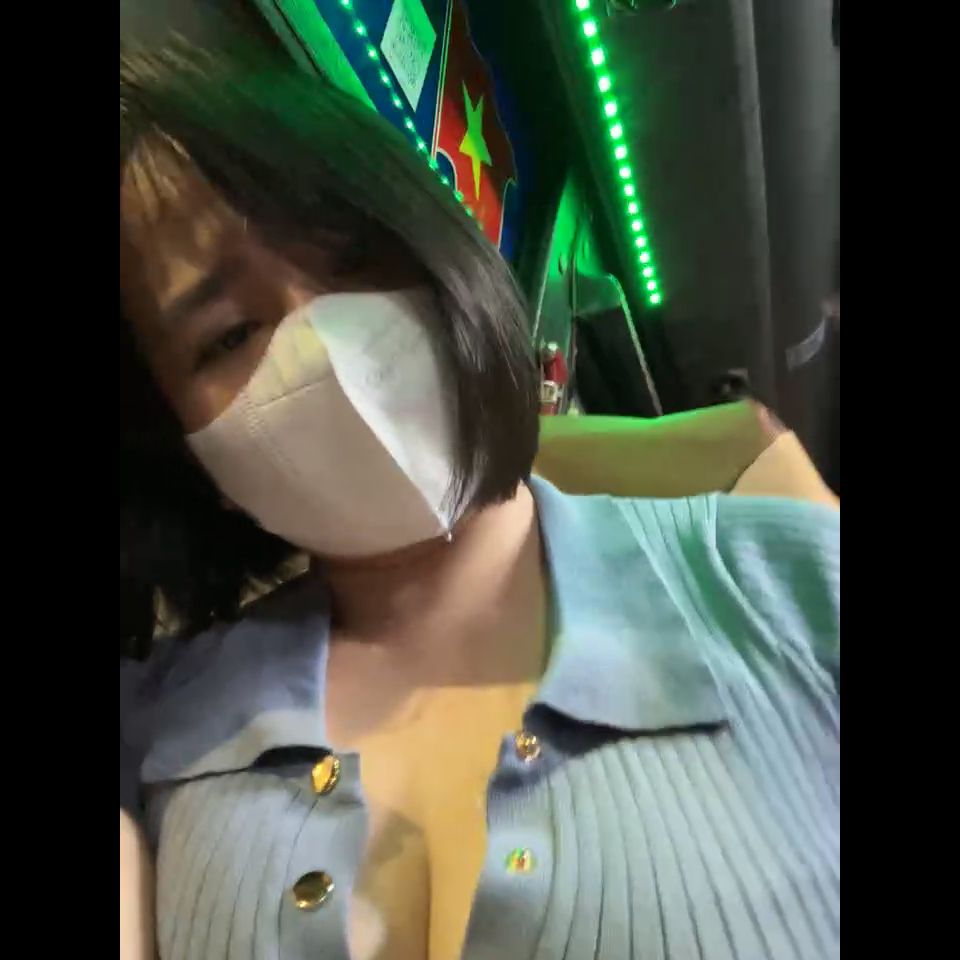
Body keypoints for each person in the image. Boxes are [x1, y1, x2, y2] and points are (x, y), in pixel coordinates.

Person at [119, 25, 839, 960]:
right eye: (225, 336)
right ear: (178, 444)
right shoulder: (154, 724)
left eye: (354, 259)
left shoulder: (793, 588)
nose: (322, 341)